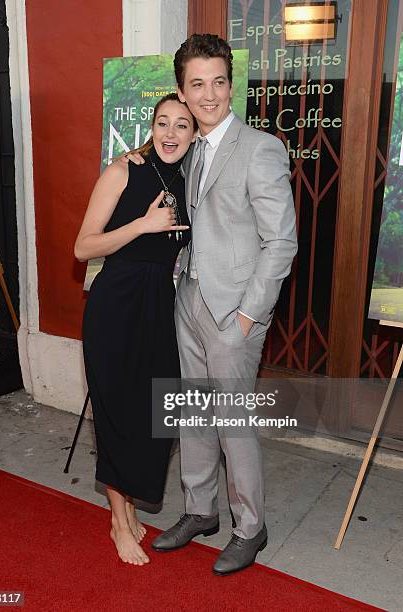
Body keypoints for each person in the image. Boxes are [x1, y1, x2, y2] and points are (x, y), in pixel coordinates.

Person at [126, 34, 298, 576]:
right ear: (182, 89)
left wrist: (250, 313)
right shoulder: (190, 147)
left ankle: (251, 526)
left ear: (231, 85)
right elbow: (156, 167)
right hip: (189, 300)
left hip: (235, 312)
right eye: (196, 84)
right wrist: (131, 153)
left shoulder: (260, 148)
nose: (208, 95)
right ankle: (200, 510)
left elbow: (282, 242)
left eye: (218, 82)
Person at [74, 93, 195, 566]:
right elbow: (83, 247)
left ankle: (127, 505)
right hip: (115, 304)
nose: (170, 133)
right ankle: (118, 520)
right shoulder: (123, 170)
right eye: (162, 122)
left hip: (159, 308)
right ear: (151, 126)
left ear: (192, 133)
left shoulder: (188, 180)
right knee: (117, 415)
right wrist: (143, 225)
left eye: (181, 125)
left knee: (155, 413)